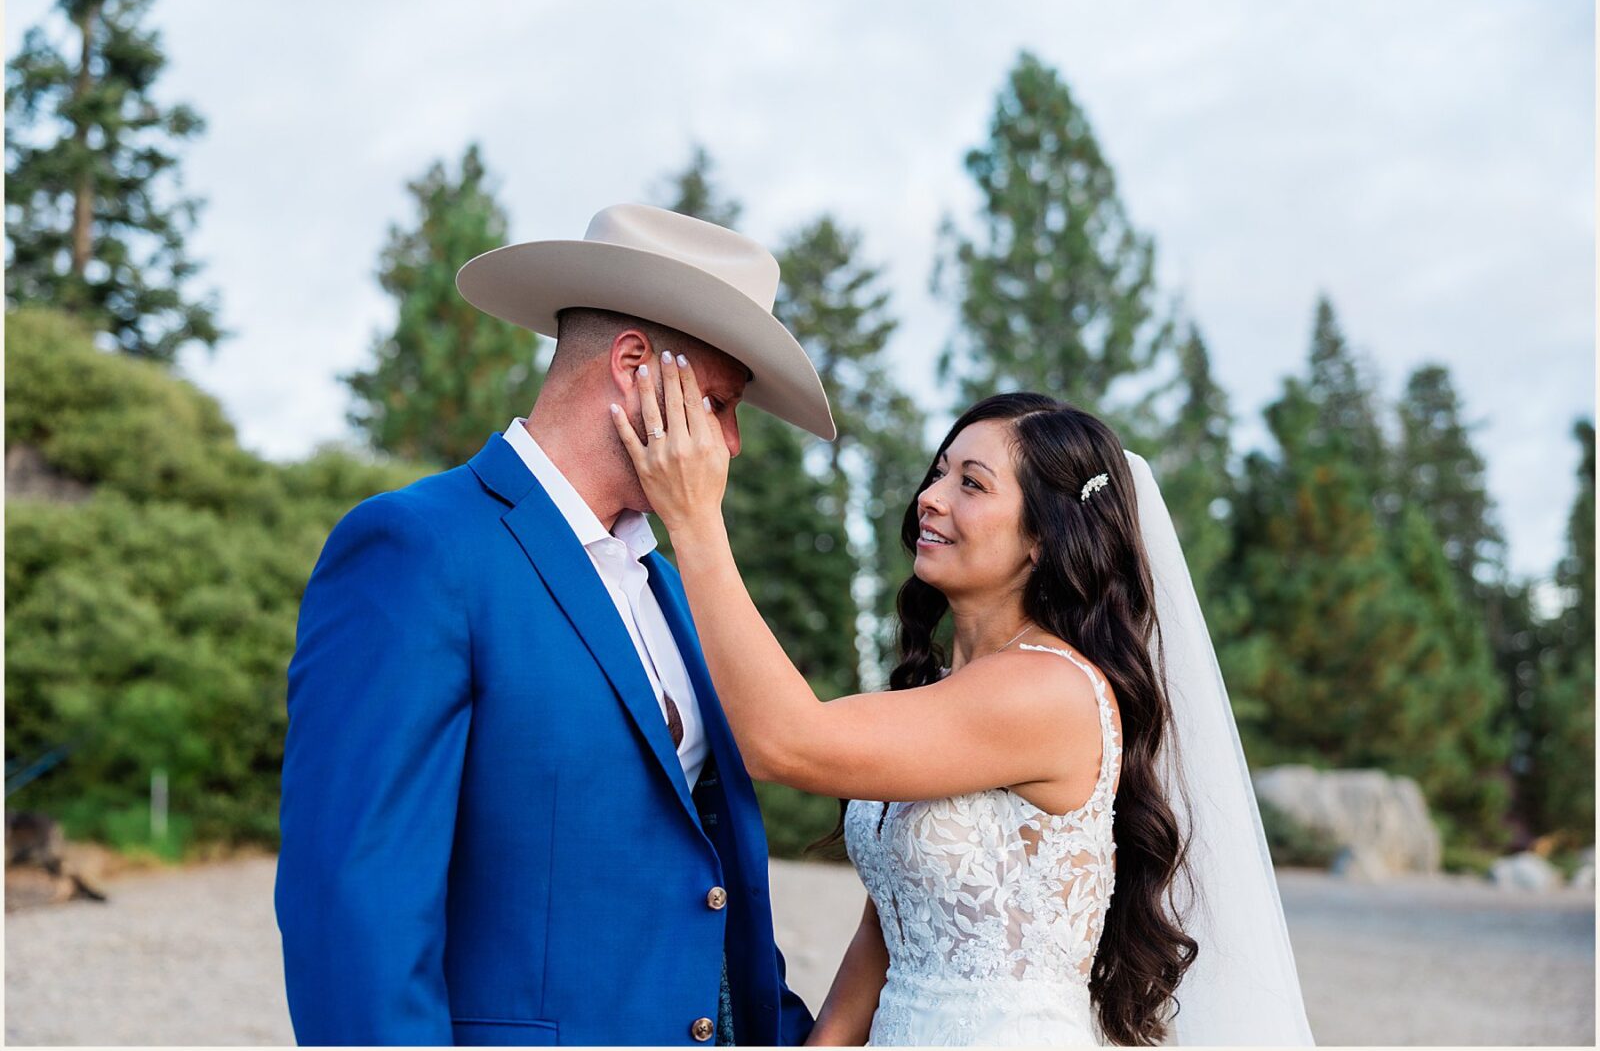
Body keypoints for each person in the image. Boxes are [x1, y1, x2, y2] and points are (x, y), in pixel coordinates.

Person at [614, 375, 1316, 1046]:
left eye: (972, 484)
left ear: (1043, 538)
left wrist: (695, 519)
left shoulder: (1047, 691)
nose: (930, 497)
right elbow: (893, 923)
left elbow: (784, 743)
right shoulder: (948, 693)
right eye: (940, 472)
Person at [275, 203, 832, 1045]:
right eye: (719, 403)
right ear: (635, 367)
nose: (732, 442)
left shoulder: (677, 589)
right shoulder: (418, 549)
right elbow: (354, 907)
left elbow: (711, 888)